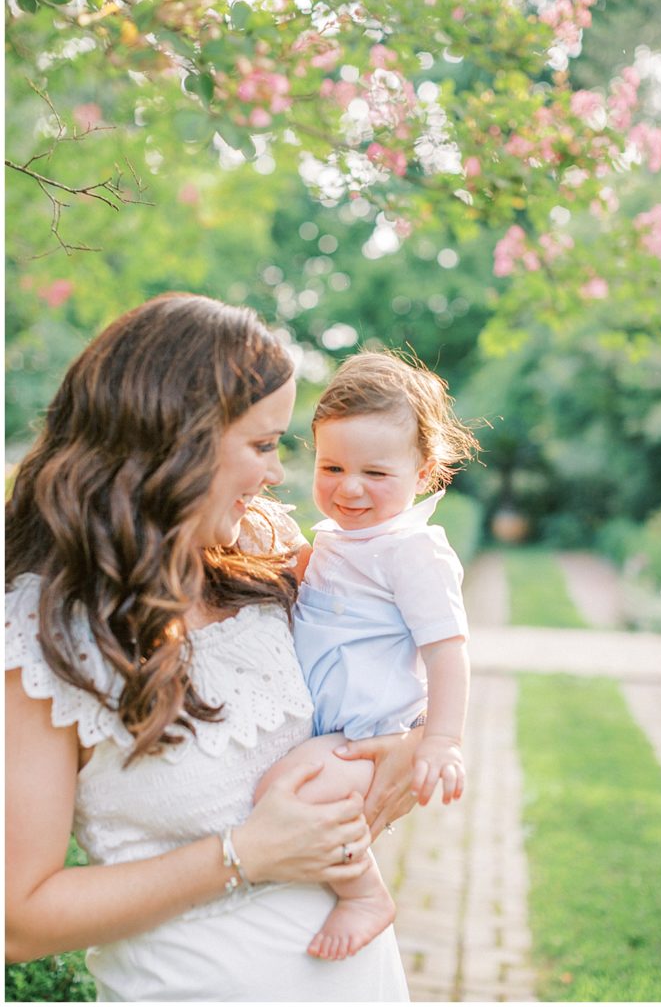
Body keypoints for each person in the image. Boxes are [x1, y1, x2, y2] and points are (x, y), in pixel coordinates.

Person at [5, 294, 418, 1002]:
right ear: (176, 441)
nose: (275, 475)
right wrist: (244, 856)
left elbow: (387, 657)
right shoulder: (46, 640)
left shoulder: (263, 548)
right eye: (262, 445)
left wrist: (407, 743)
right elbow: (18, 920)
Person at [257, 351, 479, 962]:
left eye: (376, 474)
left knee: (289, 792)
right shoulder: (333, 537)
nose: (349, 488)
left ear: (425, 470)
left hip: (364, 733)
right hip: (322, 725)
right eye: (332, 466)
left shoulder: (412, 551)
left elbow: (448, 652)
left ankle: (365, 895)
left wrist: (441, 740)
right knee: (285, 792)